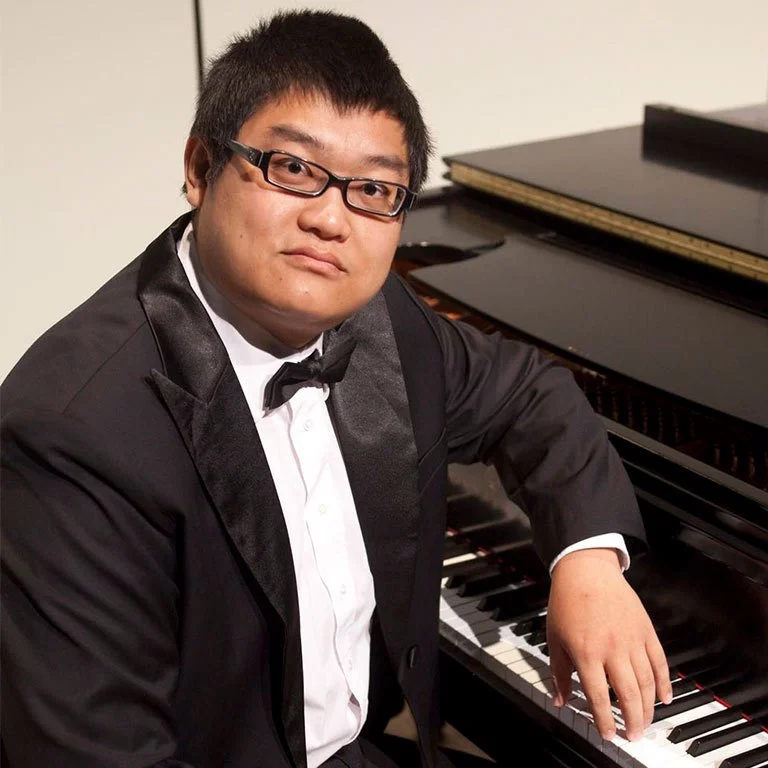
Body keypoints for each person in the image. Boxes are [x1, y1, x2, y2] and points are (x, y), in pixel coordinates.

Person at [0, 10, 672, 768]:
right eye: (292, 169)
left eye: (374, 189)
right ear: (200, 166)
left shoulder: (382, 322)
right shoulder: (74, 435)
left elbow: (529, 393)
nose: (329, 219)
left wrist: (588, 560)